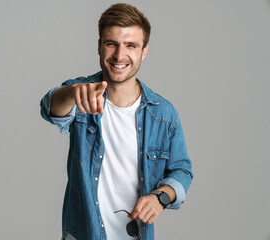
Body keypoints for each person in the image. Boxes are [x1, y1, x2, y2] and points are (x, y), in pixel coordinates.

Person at [40, 3, 193, 240]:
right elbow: (51, 107)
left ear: (144, 51)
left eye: (131, 45)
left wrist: (161, 198)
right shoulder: (81, 93)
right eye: (111, 44)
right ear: (99, 46)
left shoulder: (163, 114)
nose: (120, 55)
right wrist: (73, 92)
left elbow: (182, 170)